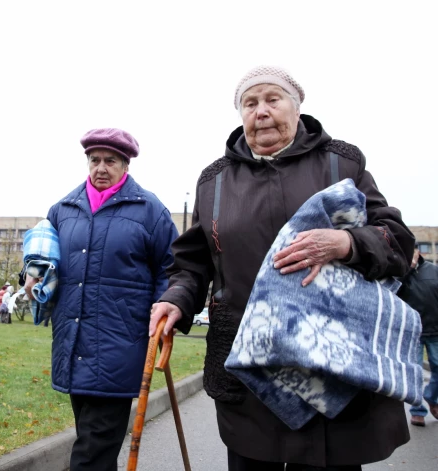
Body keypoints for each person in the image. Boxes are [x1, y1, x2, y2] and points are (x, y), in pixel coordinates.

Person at [150, 66, 415, 471]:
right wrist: (176, 301)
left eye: (273, 99)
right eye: (250, 103)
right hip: (251, 369)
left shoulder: (340, 163)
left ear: (297, 106)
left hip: (331, 362)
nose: (261, 111)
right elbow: (193, 263)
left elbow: (395, 239)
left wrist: (346, 243)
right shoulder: (215, 181)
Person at [24, 128, 178, 471]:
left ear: (126, 165)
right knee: (93, 442)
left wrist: (165, 310)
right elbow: (42, 255)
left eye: (110, 160)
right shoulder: (63, 209)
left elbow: (172, 269)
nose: (101, 167)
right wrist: (32, 276)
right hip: (73, 341)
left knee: (92, 451)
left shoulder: (150, 210)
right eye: (95, 160)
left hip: (120, 344)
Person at [398, 247, 438, 427]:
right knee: (414, 373)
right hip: (411, 332)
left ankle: (431, 397)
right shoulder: (399, 274)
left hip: (435, 330)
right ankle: (417, 411)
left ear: (417, 251)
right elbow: (394, 292)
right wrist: (407, 269)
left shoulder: (433, 270)